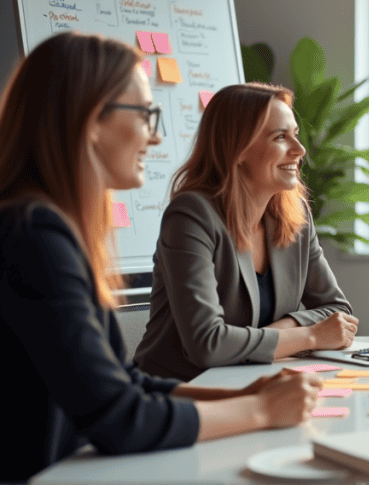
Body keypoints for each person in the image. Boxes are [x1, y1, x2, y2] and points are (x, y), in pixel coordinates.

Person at [0, 32, 321, 483]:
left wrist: (243, 395)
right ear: (91, 120)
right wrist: (261, 409)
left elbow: (125, 383)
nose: (155, 136)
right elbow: (119, 418)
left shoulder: (49, 226)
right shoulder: (34, 235)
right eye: (146, 114)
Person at [135, 83, 357, 381]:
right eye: (280, 136)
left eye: (296, 134)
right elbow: (208, 345)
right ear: (237, 149)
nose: (300, 150)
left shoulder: (296, 215)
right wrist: (311, 336)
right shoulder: (190, 216)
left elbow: (337, 311)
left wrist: (270, 334)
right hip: (179, 394)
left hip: (251, 382)